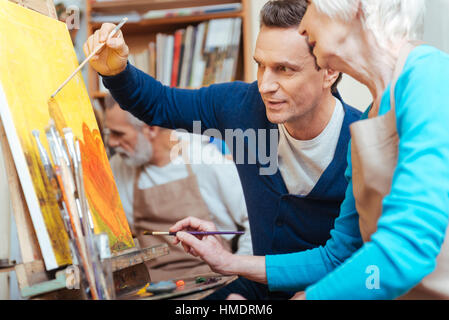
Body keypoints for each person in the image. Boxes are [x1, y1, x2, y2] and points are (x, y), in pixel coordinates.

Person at [84, 0, 362, 299]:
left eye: (284, 69)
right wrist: (116, 73)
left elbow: (357, 261)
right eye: (260, 65)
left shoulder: (362, 141)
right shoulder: (241, 106)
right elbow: (160, 103)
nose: (265, 85)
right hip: (260, 282)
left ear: (329, 71)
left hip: (332, 287)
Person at [173, 0, 449, 300]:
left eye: (312, 6)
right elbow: (337, 256)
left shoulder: (427, 73)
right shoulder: (372, 116)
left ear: (355, 8)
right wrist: (229, 262)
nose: (303, 25)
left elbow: (407, 249)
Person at [103, 96, 252, 282]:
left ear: (151, 128)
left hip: (213, 279)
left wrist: (239, 272)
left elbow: (254, 222)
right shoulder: (119, 166)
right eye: (110, 134)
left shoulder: (205, 159)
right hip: (153, 285)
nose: (112, 143)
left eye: (119, 134)